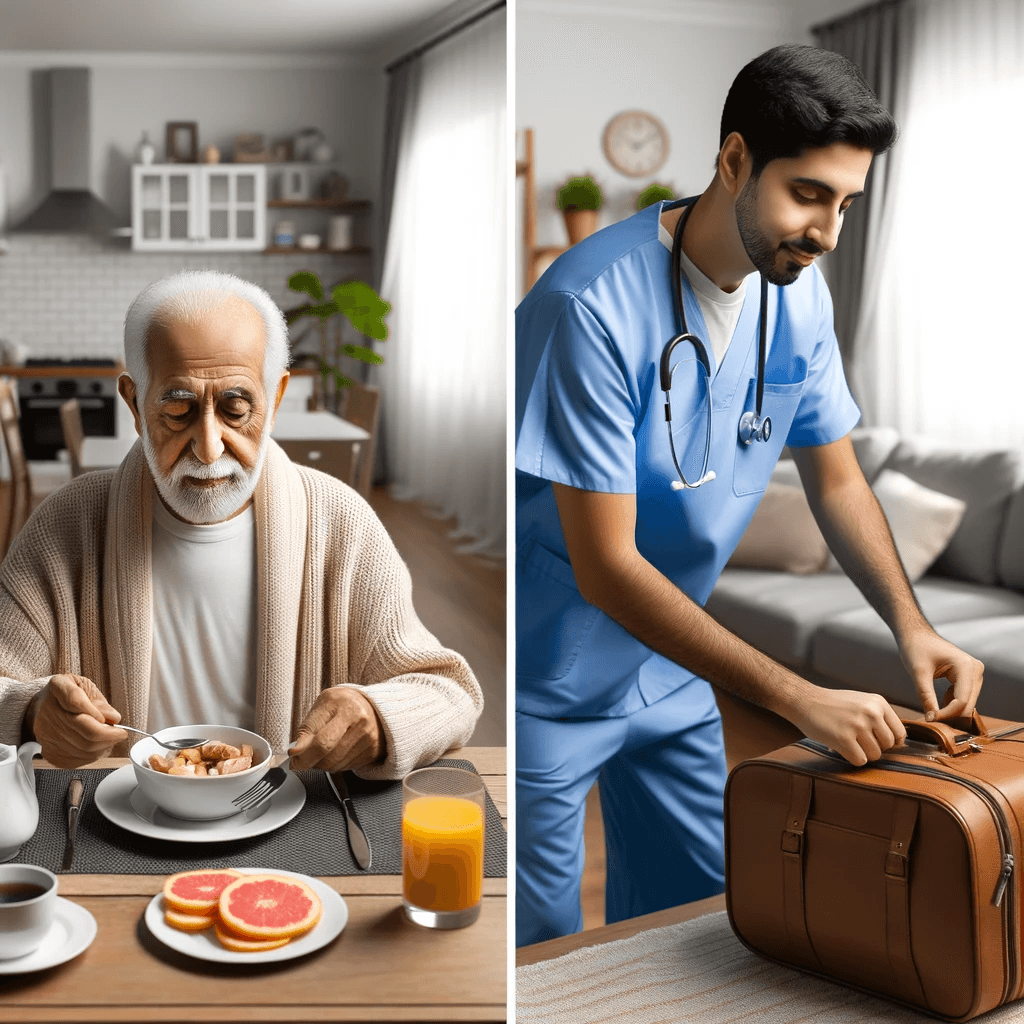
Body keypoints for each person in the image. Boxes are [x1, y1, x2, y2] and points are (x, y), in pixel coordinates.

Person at [514, 44, 985, 946]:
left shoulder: (798, 296)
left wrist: (910, 625)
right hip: (555, 675)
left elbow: (838, 481)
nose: (829, 232)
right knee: (541, 948)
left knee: (694, 922)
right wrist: (798, 698)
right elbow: (608, 568)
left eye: (846, 203)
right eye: (808, 194)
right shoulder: (589, 306)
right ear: (734, 160)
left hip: (676, 664)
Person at [0, 270, 483, 779]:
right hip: (112, 831)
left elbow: (449, 691)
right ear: (135, 405)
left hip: (287, 837)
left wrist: (379, 718)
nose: (209, 448)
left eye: (235, 409)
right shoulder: (64, 524)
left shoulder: (342, 521)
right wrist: (31, 711)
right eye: (178, 411)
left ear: (274, 401)